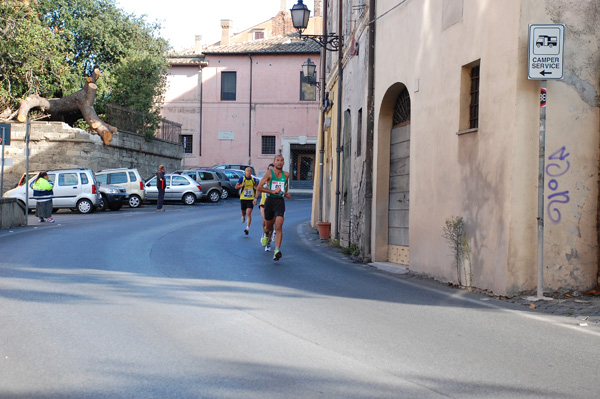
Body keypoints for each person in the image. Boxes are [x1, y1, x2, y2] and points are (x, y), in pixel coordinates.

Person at [257, 155, 290, 261]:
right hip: (269, 202)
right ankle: (266, 234)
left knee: (279, 227)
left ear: (284, 163)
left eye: (281, 160)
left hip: (280, 202)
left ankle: (277, 250)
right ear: (274, 162)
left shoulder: (286, 175)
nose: (279, 162)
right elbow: (259, 187)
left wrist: (285, 193)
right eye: (278, 160)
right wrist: (272, 191)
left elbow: (285, 186)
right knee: (268, 227)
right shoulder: (269, 174)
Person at [235, 167, 259, 235]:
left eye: (250, 171)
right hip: (243, 198)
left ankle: (247, 228)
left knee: (248, 213)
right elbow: (236, 187)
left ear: (251, 172)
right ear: (245, 172)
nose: (249, 172)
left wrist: (258, 193)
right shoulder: (242, 179)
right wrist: (242, 185)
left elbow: (256, 187)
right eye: (247, 171)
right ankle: (243, 216)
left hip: (250, 199)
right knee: (243, 212)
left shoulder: (253, 179)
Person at [258, 163, 275, 251]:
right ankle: (265, 234)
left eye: (272, 170)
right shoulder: (264, 179)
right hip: (263, 204)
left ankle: (268, 242)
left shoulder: (276, 180)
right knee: (265, 221)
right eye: (269, 169)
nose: (270, 171)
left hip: (273, 204)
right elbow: (258, 188)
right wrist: (255, 198)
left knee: (271, 224)